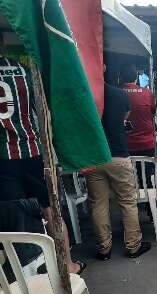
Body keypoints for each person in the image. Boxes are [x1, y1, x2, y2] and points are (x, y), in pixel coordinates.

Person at [0, 50, 85, 274]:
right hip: (35, 151)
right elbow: (45, 112)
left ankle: (25, 276)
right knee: (52, 211)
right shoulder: (26, 72)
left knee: (15, 220)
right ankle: (67, 265)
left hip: (4, 159)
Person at [85, 80, 151, 261]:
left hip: (94, 156)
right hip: (119, 155)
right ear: (103, 67)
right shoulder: (121, 94)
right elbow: (125, 117)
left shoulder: (84, 94)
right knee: (128, 202)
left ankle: (104, 249)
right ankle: (132, 246)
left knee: (98, 203)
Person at [120, 64, 156, 158]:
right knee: (146, 173)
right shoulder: (147, 93)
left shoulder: (116, 93)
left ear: (121, 77)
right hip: (146, 145)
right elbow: (153, 113)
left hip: (123, 146)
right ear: (136, 77)